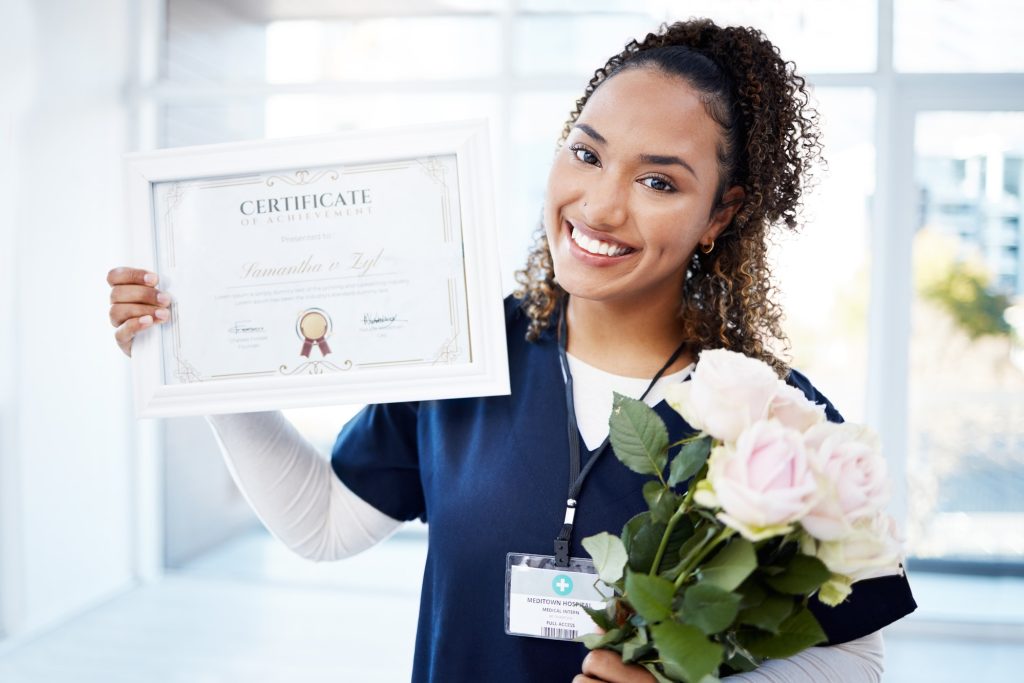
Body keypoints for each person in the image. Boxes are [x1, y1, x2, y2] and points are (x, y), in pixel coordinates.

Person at [107, 18, 916, 683]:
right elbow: (322, 524)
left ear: (720, 212)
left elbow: (855, 653)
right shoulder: (461, 345)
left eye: (659, 181)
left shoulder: (768, 417)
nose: (598, 205)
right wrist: (201, 358)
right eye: (587, 152)